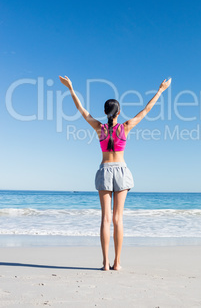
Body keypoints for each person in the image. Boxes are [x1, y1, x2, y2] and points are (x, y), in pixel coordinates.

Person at [59, 75, 172, 270]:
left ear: (104, 112)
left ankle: (104, 263)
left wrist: (70, 88)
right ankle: (117, 263)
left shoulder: (99, 128)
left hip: (104, 171)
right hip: (121, 171)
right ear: (119, 112)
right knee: (118, 219)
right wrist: (161, 90)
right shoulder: (125, 127)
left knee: (105, 219)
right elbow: (146, 110)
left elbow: (82, 111)